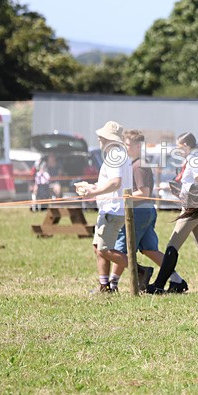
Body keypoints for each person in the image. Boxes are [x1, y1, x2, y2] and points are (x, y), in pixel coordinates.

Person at [147, 131, 198, 294]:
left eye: (179, 147)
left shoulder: (194, 160)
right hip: (194, 206)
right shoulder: (192, 159)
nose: (178, 150)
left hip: (193, 208)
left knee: (172, 245)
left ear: (185, 145)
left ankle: (159, 285)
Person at [108, 129, 186, 292]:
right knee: (149, 249)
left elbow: (144, 192)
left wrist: (122, 197)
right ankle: (177, 280)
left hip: (138, 213)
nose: (125, 147)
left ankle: (112, 283)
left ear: (137, 146)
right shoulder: (138, 163)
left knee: (122, 249)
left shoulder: (138, 166)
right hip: (146, 212)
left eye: (127, 145)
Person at [77, 120, 134, 294]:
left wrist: (93, 193)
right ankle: (104, 286)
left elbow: (116, 183)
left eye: (101, 137)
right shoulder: (119, 154)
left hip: (113, 209)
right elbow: (109, 183)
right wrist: (93, 187)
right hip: (110, 207)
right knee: (98, 247)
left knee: (104, 248)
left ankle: (140, 271)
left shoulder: (114, 155)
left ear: (108, 138)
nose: (99, 140)